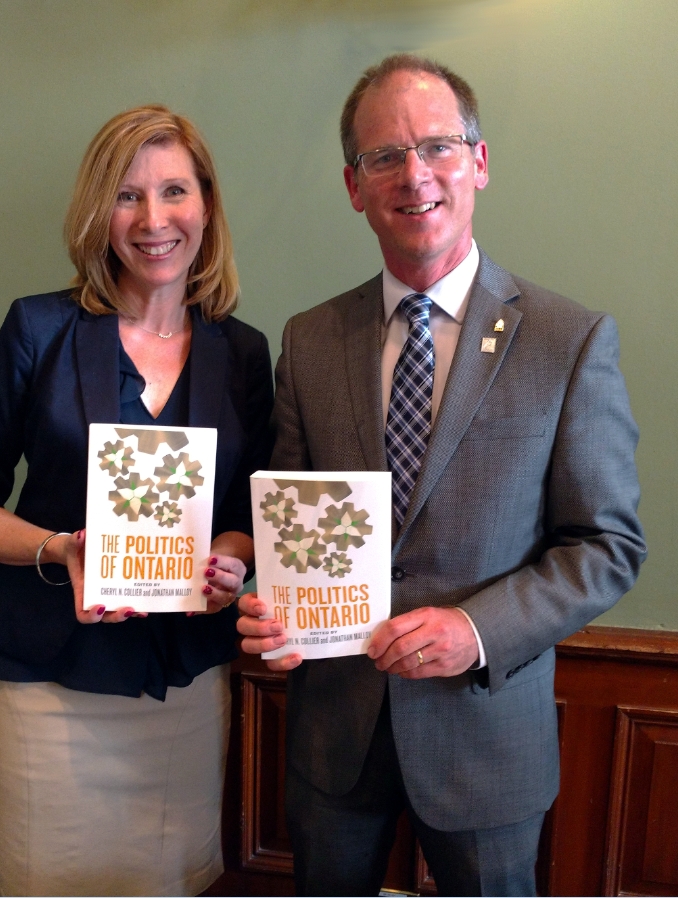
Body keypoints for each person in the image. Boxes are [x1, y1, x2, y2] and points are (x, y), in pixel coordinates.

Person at [238, 54, 645, 897]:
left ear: (479, 162)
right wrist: (272, 603)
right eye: (384, 156)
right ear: (354, 185)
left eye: (437, 146)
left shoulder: (569, 342)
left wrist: (477, 630)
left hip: (486, 734)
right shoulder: (310, 341)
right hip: (334, 734)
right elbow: (292, 519)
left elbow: (605, 545)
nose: (413, 173)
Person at [0, 105, 273, 897]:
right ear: (99, 213)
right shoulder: (38, 329)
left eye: (175, 192)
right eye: (128, 196)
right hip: (49, 682)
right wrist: (60, 549)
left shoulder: (244, 352)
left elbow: (254, 509)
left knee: (167, 882)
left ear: (207, 205)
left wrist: (232, 557)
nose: (154, 220)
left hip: (182, 683)